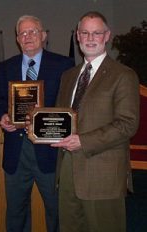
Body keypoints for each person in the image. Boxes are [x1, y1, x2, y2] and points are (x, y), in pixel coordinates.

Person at [51, 11, 140, 232]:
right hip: (67, 171)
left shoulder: (123, 75)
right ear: (77, 36)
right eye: (85, 33)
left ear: (107, 36)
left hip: (103, 175)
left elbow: (128, 124)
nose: (90, 38)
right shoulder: (69, 76)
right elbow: (62, 118)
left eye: (97, 33)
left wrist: (83, 141)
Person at [0, 15, 74, 232]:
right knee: (15, 212)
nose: (27, 36)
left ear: (44, 35)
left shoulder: (64, 65)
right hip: (16, 152)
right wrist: (2, 116)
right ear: (17, 39)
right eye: (22, 33)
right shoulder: (5, 67)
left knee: (56, 210)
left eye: (33, 31)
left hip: (50, 152)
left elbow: (69, 104)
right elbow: (1, 99)